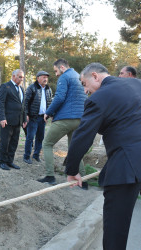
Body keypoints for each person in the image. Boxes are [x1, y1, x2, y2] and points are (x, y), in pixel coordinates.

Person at [65, 63, 141, 249]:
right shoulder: (137, 84)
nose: (85, 90)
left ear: (95, 76)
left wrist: (72, 169)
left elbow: (83, 136)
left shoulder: (99, 97)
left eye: (84, 84)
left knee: (116, 229)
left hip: (127, 166)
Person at [37, 59, 87, 186]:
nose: (56, 74)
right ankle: (84, 180)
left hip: (65, 118)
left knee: (47, 144)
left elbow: (59, 97)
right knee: (74, 149)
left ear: (62, 67)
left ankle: (49, 176)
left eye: (56, 71)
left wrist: (48, 112)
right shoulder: (78, 76)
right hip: (79, 119)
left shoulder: (65, 77)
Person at [0, 69, 27, 171]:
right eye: (20, 77)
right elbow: (0, 103)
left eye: (22, 77)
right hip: (7, 120)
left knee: (14, 142)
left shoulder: (21, 89)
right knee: (5, 142)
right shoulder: (5, 86)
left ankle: (10, 161)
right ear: (13, 76)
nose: (22, 79)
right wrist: (2, 118)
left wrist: (24, 118)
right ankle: (2, 162)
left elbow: (23, 105)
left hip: (18, 121)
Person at [23, 71, 53, 164]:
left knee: (40, 137)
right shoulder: (32, 88)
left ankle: (36, 155)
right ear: (38, 78)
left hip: (43, 118)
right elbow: (25, 102)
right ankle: (26, 156)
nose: (45, 79)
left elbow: (50, 103)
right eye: (43, 77)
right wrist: (26, 114)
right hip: (33, 117)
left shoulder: (48, 89)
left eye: (46, 77)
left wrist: (48, 114)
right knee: (30, 137)